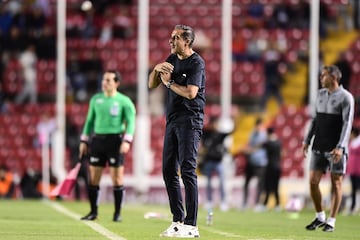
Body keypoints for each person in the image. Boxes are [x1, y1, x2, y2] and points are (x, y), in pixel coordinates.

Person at [148, 24, 205, 238]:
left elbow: (191, 93)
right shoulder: (171, 60)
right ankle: (177, 221)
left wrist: (169, 83)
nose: (171, 41)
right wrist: (156, 70)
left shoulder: (196, 62)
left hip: (190, 121)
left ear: (187, 41)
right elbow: (152, 84)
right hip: (172, 122)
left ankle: (191, 225)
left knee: (188, 171)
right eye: (171, 37)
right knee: (168, 171)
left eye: (175, 38)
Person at [79, 70, 136, 222]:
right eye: (104, 80)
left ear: (116, 83)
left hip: (115, 142)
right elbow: (89, 121)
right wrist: (84, 141)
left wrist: (127, 140)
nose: (105, 83)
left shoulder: (124, 101)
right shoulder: (96, 100)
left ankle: (117, 214)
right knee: (93, 179)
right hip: (97, 141)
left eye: (109, 80)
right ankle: (93, 212)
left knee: (117, 179)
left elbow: (131, 122)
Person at [302, 65, 354, 232]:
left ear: (334, 77)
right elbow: (315, 120)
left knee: (336, 183)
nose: (320, 78)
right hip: (319, 145)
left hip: (335, 148)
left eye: (323, 75)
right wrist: (307, 140)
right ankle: (319, 216)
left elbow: (347, 124)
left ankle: (331, 221)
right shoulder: (320, 94)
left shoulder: (346, 97)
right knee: (313, 181)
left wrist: (340, 147)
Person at [199, 116, 231, 212]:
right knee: (208, 182)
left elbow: (229, 133)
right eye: (215, 123)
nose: (216, 126)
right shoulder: (207, 133)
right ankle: (209, 201)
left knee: (222, 181)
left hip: (218, 161)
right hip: (209, 161)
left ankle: (223, 202)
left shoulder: (220, 135)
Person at [242, 117, 268, 210]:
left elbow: (259, 146)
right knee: (246, 183)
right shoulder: (252, 133)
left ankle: (258, 204)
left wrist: (251, 150)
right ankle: (244, 203)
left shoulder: (264, 135)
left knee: (260, 184)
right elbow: (250, 145)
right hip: (251, 162)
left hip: (260, 163)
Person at [257, 127, 282, 211]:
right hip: (278, 167)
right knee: (275, 187)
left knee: (267, 187)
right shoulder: (278, 142)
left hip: (270, 167)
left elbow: (259, 145)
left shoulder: (268, 143)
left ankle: (264, 205)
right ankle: (277, 205)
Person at [347, 127, 360, 215]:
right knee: (353, 189)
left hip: (359, 168)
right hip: (352, 168)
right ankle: (353, 207)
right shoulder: (351, 143)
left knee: (358, 189)